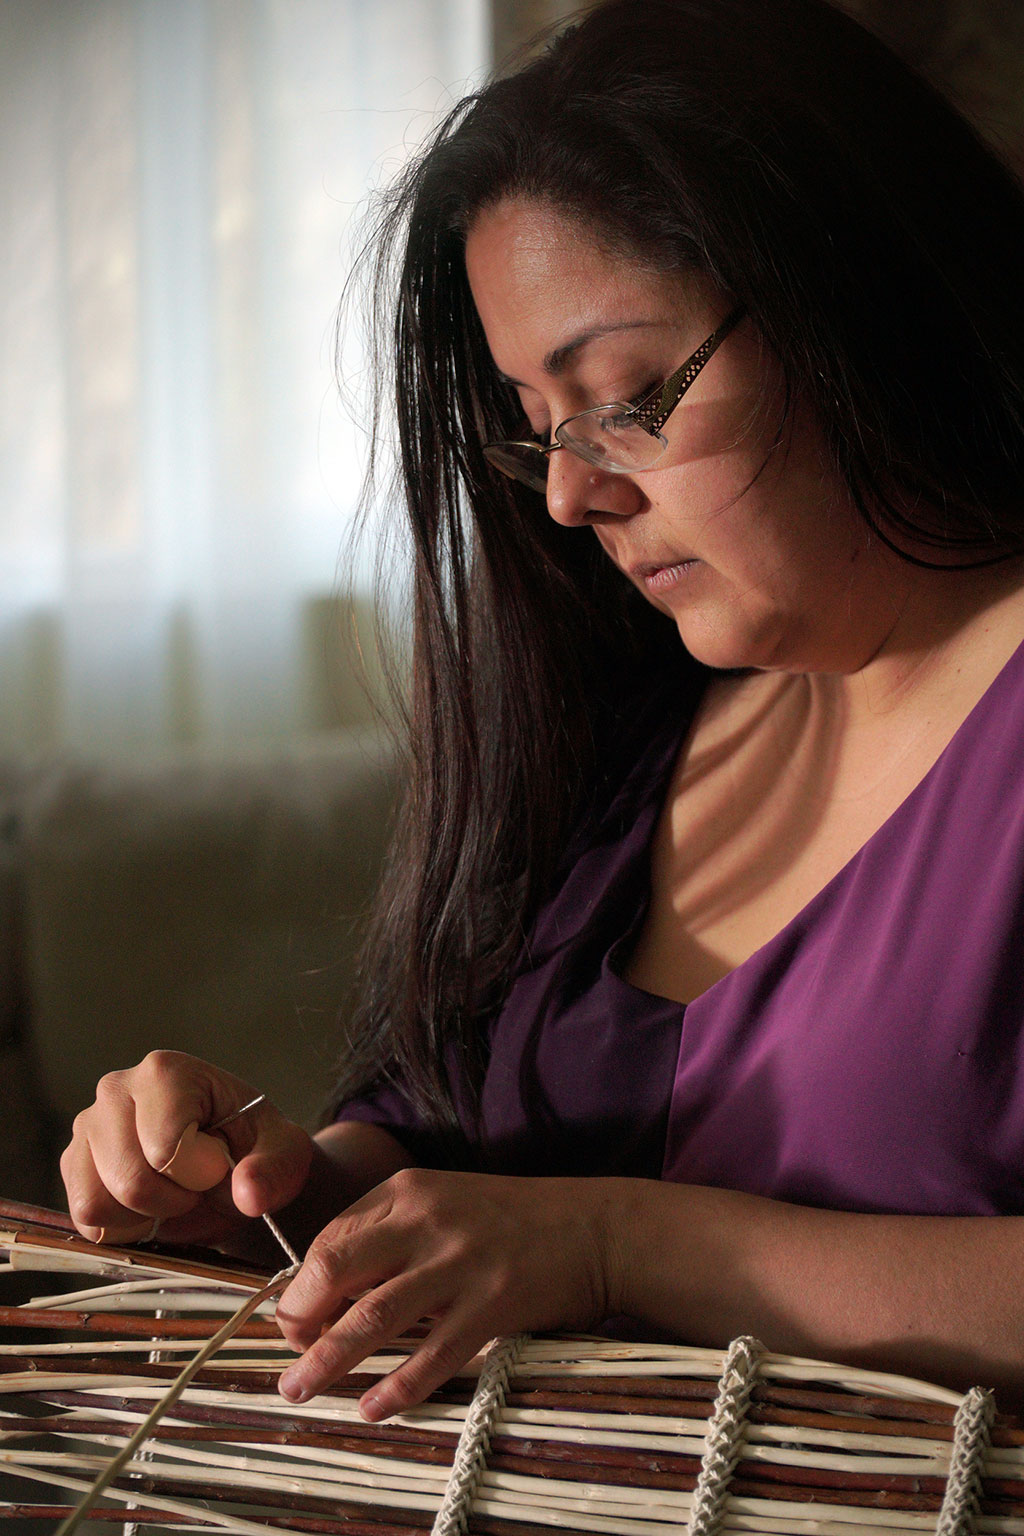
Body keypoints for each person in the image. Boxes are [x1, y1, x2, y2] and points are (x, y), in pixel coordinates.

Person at [61, 0, 1024, 1425]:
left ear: (861, 297)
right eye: (540, 428)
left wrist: (612, 1244)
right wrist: (265, 1188)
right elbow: (464, 1127)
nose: (574, 497)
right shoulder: (645, 711)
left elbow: (576, 1226)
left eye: (630, 398)